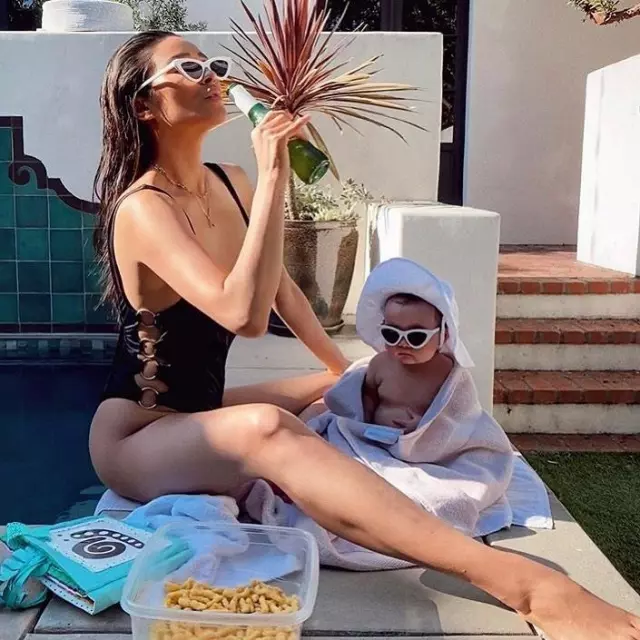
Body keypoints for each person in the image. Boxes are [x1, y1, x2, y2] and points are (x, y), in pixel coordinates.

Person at [88, 30, 640, 640]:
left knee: (334, 387)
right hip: (138, 435)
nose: (213, 76)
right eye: (188, 69)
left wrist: (345, 370)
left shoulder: (230, 180)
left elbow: (283, 292)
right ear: (144, 105)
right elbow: (243, 315)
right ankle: (524, 584)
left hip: (204, 410)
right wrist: (275, 175)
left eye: (212, 64)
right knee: (267, 428)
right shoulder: (143, 207)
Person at [363, 293, 453, 432]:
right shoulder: (379, 364)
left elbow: (459, 416)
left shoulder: (447, 372)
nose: (403, 343)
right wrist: (363, 422)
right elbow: (366, 398)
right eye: (392, 334)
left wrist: (427, 426)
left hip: (422, 441)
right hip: (375, 437)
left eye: (416, 336)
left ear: (443, 336)